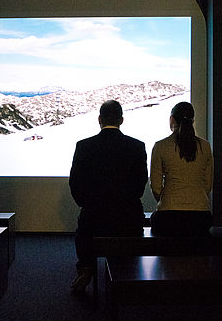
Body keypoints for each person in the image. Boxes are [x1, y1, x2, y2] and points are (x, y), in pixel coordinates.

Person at [69, 100, 148, 295]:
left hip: (94, 219)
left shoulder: (84, 146)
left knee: (83, 229)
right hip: (129, 220)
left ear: (99, 120)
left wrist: (87, 205)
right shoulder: (137, 147)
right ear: (121, 120)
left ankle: (86, 268)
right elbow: (140, 184)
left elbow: (75, 183)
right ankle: (128, 274)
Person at [149, 101, 213, 236]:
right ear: (193, 120)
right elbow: (208, 184)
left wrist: (166, 200)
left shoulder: (160, 146)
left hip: (168, 216)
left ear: (172, 120)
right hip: (201, 217)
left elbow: (155, 186)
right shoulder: (205, 146)